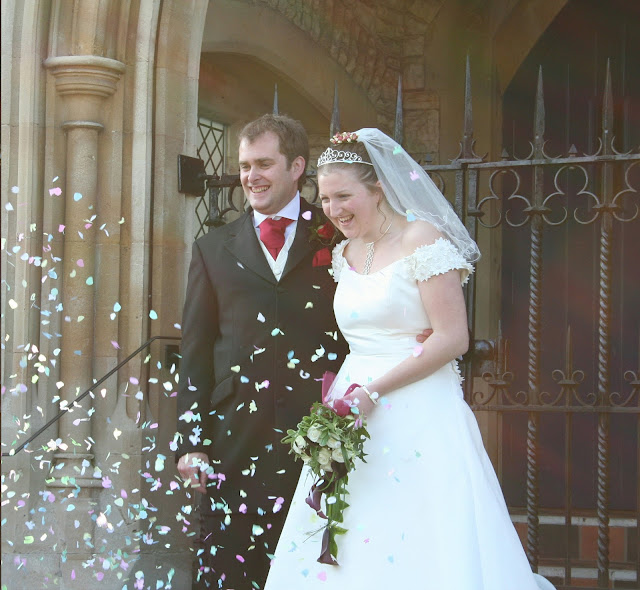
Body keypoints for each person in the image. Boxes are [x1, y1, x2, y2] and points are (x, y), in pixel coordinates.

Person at [264, 129, 556, 590]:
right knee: (354, 521)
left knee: (420, 522)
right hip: (352, 404)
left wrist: (374, 390)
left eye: (345, 195)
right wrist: (351, 397)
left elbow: (453, 337)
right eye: (325, 198)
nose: (334, 209)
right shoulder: (345, 253)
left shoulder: (421, 238)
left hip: (418, 401)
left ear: (377, 190)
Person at [175, 115, 432, 589]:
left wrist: (419, 328)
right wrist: (190, 440)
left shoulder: (340, 232)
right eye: (245, 165)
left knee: (316, 559)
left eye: (264, 164)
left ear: (297, 166)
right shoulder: (212, 247)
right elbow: (195, 348)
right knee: (227, 559)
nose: (251, 176)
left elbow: (384, 298)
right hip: (235, 430)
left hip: (321, 426)